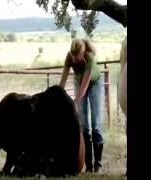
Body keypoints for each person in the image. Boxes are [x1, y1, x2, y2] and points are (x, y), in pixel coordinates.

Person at [59, 38, 104, 173]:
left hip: (94, 83)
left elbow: (83, 89)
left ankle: (98, 164)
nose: (75, 59)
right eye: (73, 56)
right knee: (84, 125)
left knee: (95, 124)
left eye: (77, 56)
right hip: (79, 81)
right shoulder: (69, 57)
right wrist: (59, 96)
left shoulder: (89, 57)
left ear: (83, 53)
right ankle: (88, 165)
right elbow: (63, 79)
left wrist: (72, 102)